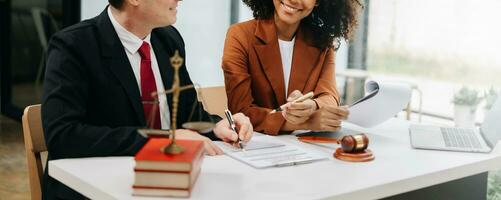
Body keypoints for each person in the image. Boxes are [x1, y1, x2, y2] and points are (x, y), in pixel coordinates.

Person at [41, 0, 253, 199]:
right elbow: (63, 136)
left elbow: (186, 110)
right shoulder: (73, 46)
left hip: (168, 182)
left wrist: (216, 127)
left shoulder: (168, 39)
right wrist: (162, 140)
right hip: (95, 190)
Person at [222, 0, 361, 135]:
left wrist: (312, 105)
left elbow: (329, 95)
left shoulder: (322, 43)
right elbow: (241, 111)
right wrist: (306, 122)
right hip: (255, 146)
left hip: (305, 148)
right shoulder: (240, 36)